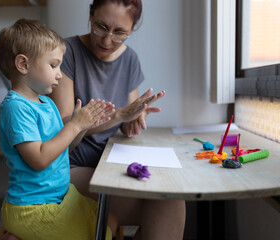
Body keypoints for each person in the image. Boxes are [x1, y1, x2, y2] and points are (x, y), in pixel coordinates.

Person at [50, 0, 186, 239]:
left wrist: (133, 121)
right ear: (91, 15)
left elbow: (126, 121)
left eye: (119, 33)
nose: (106, 40)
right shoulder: (66, 51)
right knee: (166, 202)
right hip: (70, 167)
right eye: (100, 27)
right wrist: (121, 114)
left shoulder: (130, 59)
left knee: (171, 196)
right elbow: (64, 126)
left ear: (132, 29)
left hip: (109, 161)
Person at [0, 18, 117, 240]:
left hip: (60, 196)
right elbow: (39, 159)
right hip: (33, 207)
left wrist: (81, 128)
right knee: (98, 234)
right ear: (23, 65)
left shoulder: (46, 103)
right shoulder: (16, 107)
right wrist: (75, 124)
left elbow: (64, 149)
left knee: (110, 221)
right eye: (53, 65)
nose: (60, 74)